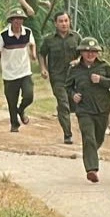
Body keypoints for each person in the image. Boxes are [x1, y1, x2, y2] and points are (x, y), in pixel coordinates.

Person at [65, 37, 110, 183]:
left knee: (98, 138)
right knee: (88, 137)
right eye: (87, 51)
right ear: (81, 52)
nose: (90, 54)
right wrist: (73, 95)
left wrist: (101, 80)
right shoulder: (74, 69)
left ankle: (91, 155)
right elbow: (68, 86)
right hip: (84, 109)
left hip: (102, 108)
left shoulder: (104, 66)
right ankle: (92, 169)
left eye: (93, 51)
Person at [38, 11, 82, 145]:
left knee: (75, 105)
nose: (64, 24)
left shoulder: (76, 37)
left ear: (69, 22)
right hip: (57, 78)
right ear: (55, 23)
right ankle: (67, 134)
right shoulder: (49, 39)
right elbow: (41, 54)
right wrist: (43, 68)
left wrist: (78, 60)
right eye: (61, 21)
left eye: (66, 21)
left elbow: (84, 54)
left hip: (75, 78)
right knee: (63, 104)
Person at [0, 8, 37, 133]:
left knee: (29, 96)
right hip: (9, 74)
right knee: (12, 101)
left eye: (20, 19)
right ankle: (14, 124)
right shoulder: (3, 35)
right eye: (15, 19)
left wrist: (33, 54)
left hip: (25, 71)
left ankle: (21, 109)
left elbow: (32, 44)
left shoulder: (27, 32)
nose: (18, 21)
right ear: (11, 21)